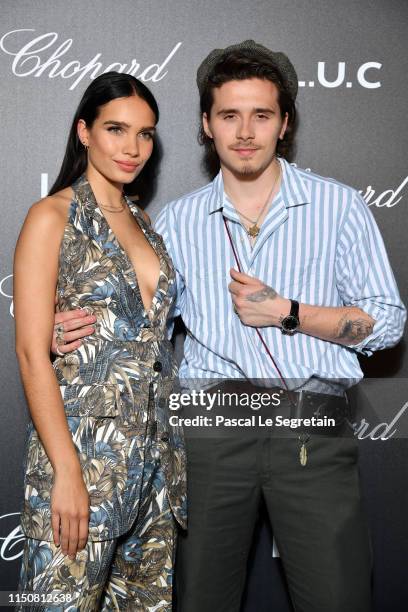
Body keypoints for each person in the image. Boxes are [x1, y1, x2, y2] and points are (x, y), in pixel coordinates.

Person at [51, 41, 406, 612]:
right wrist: (64, 333)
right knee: (201, 600)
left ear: (284, 123)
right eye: (229, 115)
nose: (245, 132)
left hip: (310, 425)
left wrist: (289, 312)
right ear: (205, 124)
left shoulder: (339, 208)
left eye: (261, 115)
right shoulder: (178, 220)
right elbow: (146, 327)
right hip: (210, 431)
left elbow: (387, 324)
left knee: (339, 599)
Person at [14, 71, 186, 611]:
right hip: (82, 462)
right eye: (117, 129)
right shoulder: (51, 217)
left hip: (154, 470)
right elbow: (30, 354)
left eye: (146, 133)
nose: (133, 148)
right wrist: (66, 471)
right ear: (84, 131)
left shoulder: (144, 221)